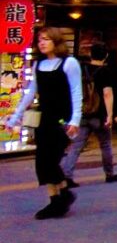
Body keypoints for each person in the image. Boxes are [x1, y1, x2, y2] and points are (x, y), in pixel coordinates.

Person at [6, 28, 82, 219]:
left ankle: (62, 197)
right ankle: (58, 197)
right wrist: (16, 116)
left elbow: (76, 92)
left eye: (46, 39)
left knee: (51, 159)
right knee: (42, 160)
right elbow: (31, 92)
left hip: (63, 118)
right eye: (39, 40)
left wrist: (75, 119)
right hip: (45, 117)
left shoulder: (69, 63)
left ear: (56, 41)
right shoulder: (38, 64)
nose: (42, 43)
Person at [62, 44, 117, 185]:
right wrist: (110, 115)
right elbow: (107, 94)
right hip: (99, 115)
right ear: (106, 56)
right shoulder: (105, 72)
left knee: (76, 146)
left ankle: (67, 175)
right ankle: (109, 174)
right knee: (106, 144)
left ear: (90, 54)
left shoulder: (82, 69)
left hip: (82, 113)